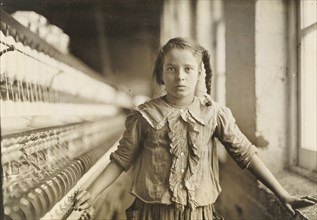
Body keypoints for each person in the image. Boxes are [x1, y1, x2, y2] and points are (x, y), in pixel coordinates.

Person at [74, 37, 315, 219]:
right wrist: (92, 192)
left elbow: (246, 154)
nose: (180, 76)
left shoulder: (214, 114)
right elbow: (121, 159)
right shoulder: (144, 116)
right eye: (171, 68)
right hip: (154, 213)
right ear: (160, 74)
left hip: (198, 213)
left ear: (199, 73)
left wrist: (283, 193)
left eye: (188, 69)